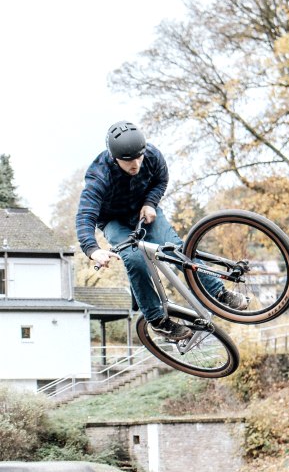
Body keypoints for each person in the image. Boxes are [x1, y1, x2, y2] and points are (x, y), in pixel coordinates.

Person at [76, 120, 247, 341]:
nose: (136, 164)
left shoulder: (152, 155)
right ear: (114, 157)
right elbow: (85, 215)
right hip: (114, 221)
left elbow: (161, 180)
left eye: (139, 157)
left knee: (177, 249)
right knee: (134, 260)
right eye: (128, 161)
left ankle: (218, 293)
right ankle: (157, 321)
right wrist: (92, 249)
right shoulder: (99, 174)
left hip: (144, 211)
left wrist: (150, 202)